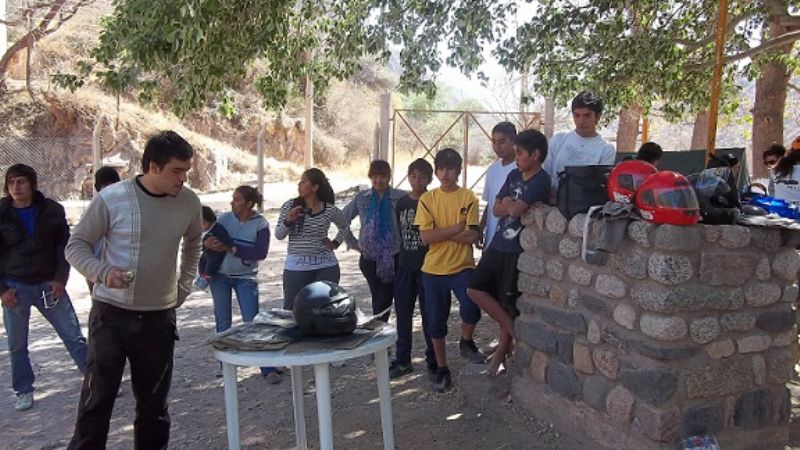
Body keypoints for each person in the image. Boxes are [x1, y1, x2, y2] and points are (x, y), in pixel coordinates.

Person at [65, 130, 202, 449]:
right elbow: (76, 246)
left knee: (155, 409)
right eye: (176, 171)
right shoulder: (112, 198)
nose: (182, 179)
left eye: (186, 172)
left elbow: (194, 242)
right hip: (111, 317)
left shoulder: (189, 202)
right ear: (153, 167)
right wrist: (102, 272)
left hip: (159, 319)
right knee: (96, 404)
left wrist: (184, 284)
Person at [0, 164, 87, 412]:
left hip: (50, 284)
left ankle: (95, 380)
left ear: (33, 184)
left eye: (21, 182)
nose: (16, 187)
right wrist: (2, 290)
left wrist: (60, 279)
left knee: (73, 336)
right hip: (15, 287)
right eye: (11, 182)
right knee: (17, 345)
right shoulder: (1, 213)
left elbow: (63, 247)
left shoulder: (52, 211)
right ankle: (24, 390)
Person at [467, 130, 551, 377]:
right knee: (475, 288)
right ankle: (513, 331)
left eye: (520, 153)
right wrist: (509, 206)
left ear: (535, 155)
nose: (516, 158)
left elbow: (514, 210)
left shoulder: (541, 181)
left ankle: (499, 359)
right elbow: (496, 209)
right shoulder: (514, 174)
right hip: (497, 245)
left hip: (517, 251)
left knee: (508, 302)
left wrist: (509, 206)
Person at [414, 148, 484, 392]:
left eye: (450, 168)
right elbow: (425, 237)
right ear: (436, 171)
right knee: (435, 322)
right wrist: (456, 229)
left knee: (471, 307)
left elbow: (472, 235)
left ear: (458, 170)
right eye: (441, 168)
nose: (445, 173)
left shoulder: (468, 198)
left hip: (462, 267)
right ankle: (442, 368)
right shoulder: (427, 199)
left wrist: (441, 233)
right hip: (432, 271)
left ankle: (466, 341)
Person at [205, 186, 280, 382]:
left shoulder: (260, 224)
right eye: (232, 199)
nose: (232, 203)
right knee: (223, 322)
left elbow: (260, 253)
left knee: (253, 321)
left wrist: (233, 248)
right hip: (220, 276)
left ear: (249, 204)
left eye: (237, 199)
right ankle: (226, 368)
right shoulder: (224, 218)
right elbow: (205, 235)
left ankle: (267, 368)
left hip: (246, 277)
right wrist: (207, 244)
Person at [275, 168, 354, 310]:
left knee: (325, 308)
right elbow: (279, 234)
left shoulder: (329, 209)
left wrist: (335, 243)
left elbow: (345, 226)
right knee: (292, 309)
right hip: (297, 266)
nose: (299, 185)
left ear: (315, 187)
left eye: (303, 182)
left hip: (325, 265)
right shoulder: (290, 206)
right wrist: (289, 220)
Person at [389, 158, 436, 379]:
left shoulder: (432, 201)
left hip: (428, 267)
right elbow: (400, 231)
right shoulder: (402, 203)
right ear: (409, 177)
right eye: (414, 176)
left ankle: (433, 359)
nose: (417, 181)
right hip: (405, 265)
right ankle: (403, 359)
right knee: (404, 314)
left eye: (423, 177)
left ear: (429, 179)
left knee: (429, 315)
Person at [342, 160, 405, 322]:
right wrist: (352, 243)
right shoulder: (362, 198)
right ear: (370, 177)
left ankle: (378, 328)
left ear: (388, 177)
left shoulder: (400, 197)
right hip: (369, 258)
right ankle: (380, 330)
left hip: (394, 256)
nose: (378, 181)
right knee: (377, 295)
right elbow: (342, 219)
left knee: (384, 296)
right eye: (375, 177)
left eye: (382, 176)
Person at [544, 90, 616, 193]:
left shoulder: (606, 149)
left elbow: (599, 186)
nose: (581, 121)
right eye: (577, 115)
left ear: (598, 116)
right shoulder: (559, 139)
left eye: (587, 115)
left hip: (583, 205)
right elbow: (546, 173)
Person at [480, 121, 517, 249]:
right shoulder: (492, 170)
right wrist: (481, 228)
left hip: (509, 240)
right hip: (490, 241)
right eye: (494, 142)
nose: (497, 146)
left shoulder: (520, 169)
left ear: (513, 142)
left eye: (502, 141)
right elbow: (490, 203)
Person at [85, 166, 121, 293]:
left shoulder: (93, 206)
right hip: (119, 269)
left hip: (97, 268)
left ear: (96, 186)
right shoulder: (125, 204)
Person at [194, 206, 235, 290]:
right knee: (201, 261)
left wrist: (231, 246)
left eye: (203, 224)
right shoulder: (204, 230)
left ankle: (207, 277)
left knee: (211, 264)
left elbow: (226, 237)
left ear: (211, 221)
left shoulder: (218, 229)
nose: (201, 227)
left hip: (216, 254)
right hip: (207, 252)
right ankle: (202, 275)